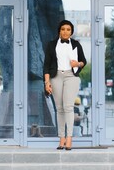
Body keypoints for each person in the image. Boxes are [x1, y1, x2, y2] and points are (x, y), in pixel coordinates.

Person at [43, 20, 87, 150]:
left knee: (68, 107)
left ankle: (69, 138)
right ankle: (61, 138)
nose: (65, 31)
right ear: (59, 31)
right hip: (55, 76)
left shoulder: (76, 44)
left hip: (71, 76)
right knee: (59, 108)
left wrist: (77, 64)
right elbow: (46, 65)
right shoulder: (51, 45)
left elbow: (83, 61)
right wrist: (47, 82)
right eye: (63, 29)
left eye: (68, 29)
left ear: (71, 32)